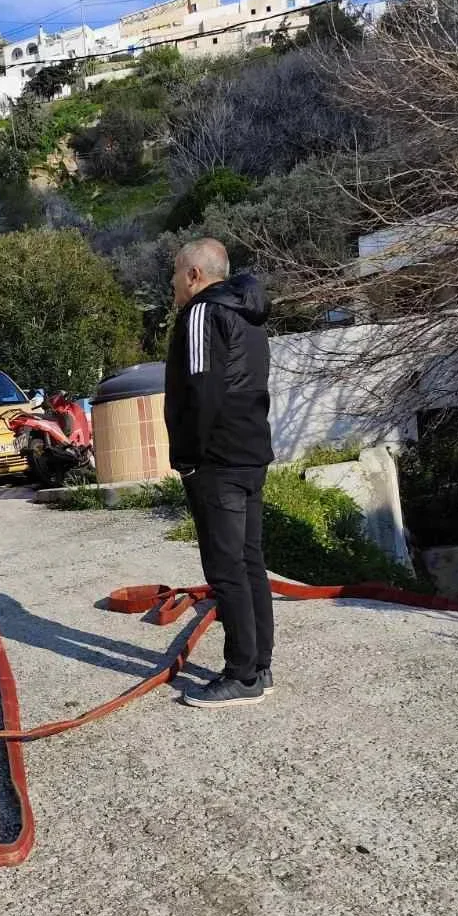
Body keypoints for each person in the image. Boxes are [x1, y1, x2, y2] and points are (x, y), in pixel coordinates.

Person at [164, 237, 276, 708]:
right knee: (250, 562)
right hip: (250, 452)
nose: (171, 284)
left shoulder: (201, 314)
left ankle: (241, 674)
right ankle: (260, 665)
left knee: (226, 568)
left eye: (175, 274)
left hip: (217, 461)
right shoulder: (249, 316)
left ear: (194, 275)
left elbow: (200, 390)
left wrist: (187, 456)